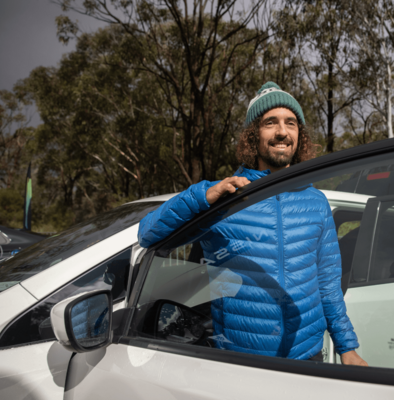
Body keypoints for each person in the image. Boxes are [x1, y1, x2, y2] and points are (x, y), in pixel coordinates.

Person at [138, 82, 367, 366]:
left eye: (291, 123)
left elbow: (328, 285)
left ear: (299, 135)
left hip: (308, 359)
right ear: (253, 135)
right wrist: (202, 195)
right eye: (270, 122)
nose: (282, 132)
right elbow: (148, 234)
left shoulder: (316, 203)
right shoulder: (227, 198)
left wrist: (347, 347)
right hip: (243, 364)